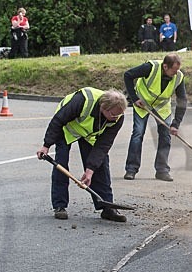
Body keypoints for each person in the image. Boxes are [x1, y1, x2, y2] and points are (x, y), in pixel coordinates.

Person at [36, 88, 127, 222]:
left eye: (118, 115)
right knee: (61, 164)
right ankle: (60, 206)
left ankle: (107, 207)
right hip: (66, 127)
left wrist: (90, 170)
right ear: (104, 108)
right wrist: (46, 145)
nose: (116, 118)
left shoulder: (118, 117)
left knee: (101, 165)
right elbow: (58, 121)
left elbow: (103, 146)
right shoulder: (82, 101)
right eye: (113, 115)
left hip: (88, 133)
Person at [123, 53, 187, 182]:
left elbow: (182, 101)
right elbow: (128, 75)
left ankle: (162, 170)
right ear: (165, 66)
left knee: (165, 136)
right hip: (142, 103)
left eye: (177, 70)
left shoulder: (178, 76)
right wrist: (134, 99)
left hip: (161, 107)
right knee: (138, 133)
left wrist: (175, 124)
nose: (176, 73)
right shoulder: (150, 67)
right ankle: (131, 169)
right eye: (173, 70)